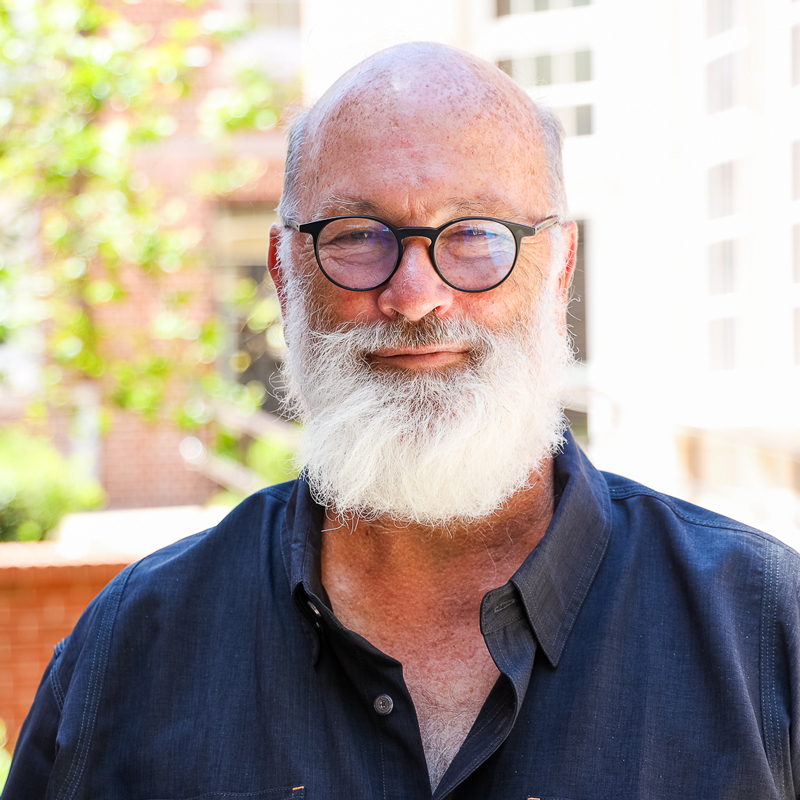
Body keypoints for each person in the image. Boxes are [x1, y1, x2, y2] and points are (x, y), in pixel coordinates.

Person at [4, 42, 800, 800]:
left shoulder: (769, 635)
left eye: (477, 234)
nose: (416, 296)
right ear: (284, 272)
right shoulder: (129, 654)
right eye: (357, 236)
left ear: (559, 266)